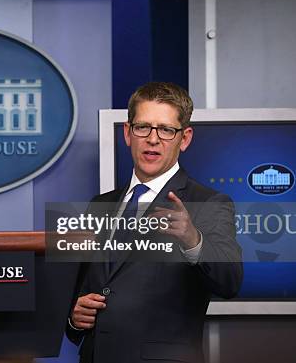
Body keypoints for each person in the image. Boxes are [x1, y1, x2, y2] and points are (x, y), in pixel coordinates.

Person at [67, 82, 242, 363]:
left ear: (184, 139)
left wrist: (192, 240)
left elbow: (230, 282)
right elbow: (81, 290)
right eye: (143, 127)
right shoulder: (100, 205)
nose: (152, 138)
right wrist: (75, 317)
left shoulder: (208, 203)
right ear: (127, 133)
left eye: (166, 130)